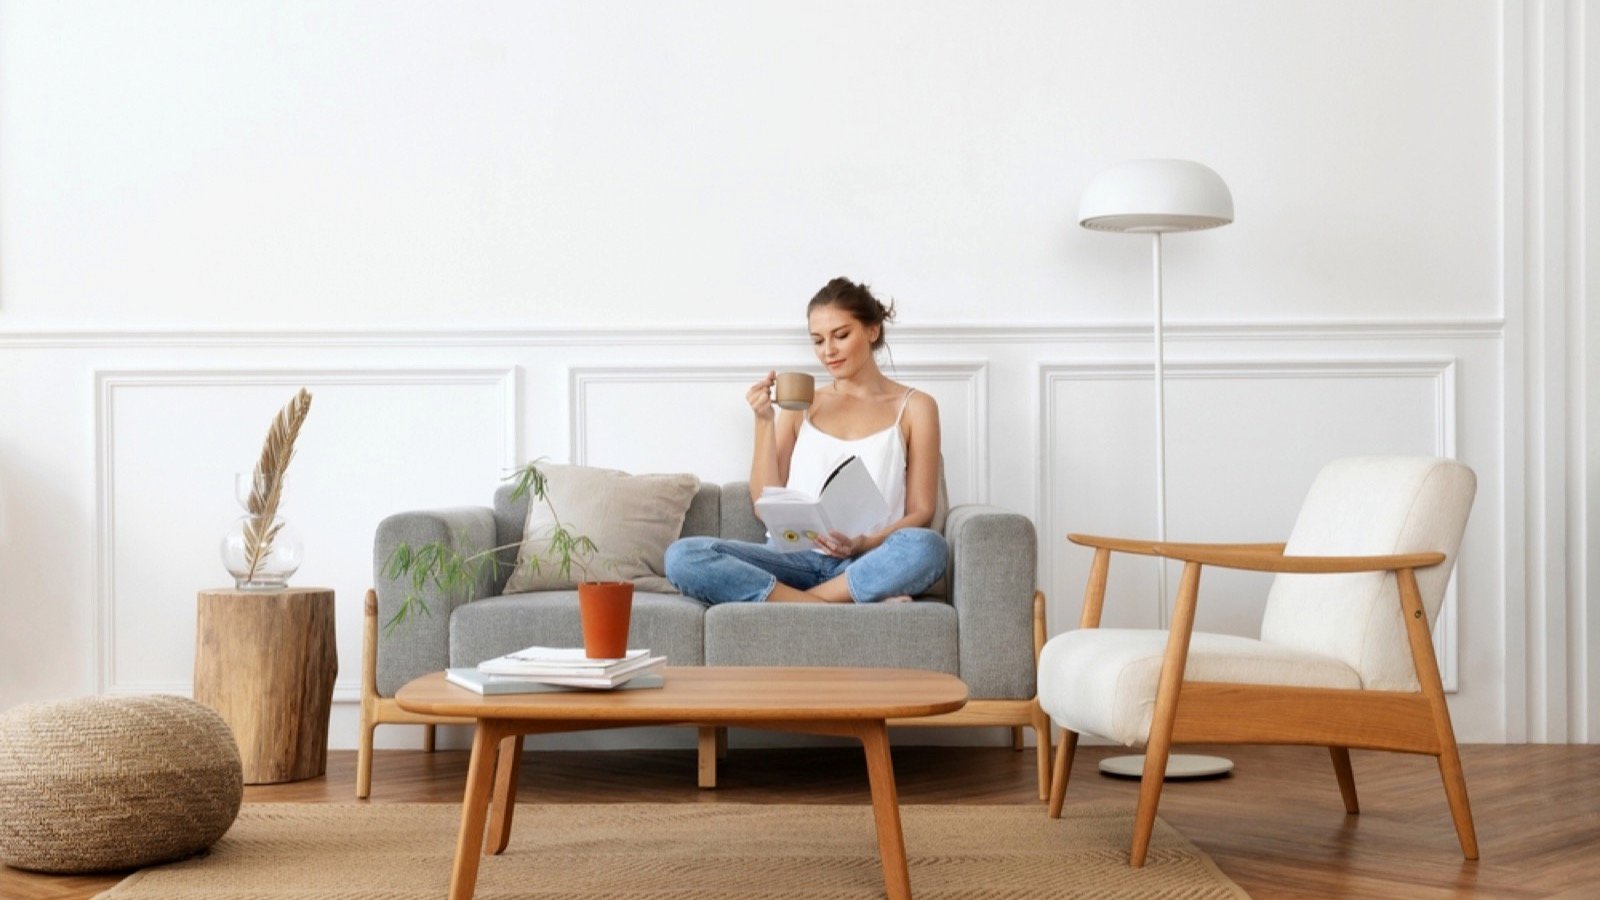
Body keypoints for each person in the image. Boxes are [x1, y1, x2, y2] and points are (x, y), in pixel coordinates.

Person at [664, 277, 947, 603]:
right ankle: (835, 605)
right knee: (684, 555)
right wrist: (764, 421)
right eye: (818, 340)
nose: (828, 351)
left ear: (872, 331)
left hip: (865, 560)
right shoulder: (803, 404)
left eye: (841, 335)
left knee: (928, 547)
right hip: (791, 559)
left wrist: (861, 543)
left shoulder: (916, 407)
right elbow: (763, 504)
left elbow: (921, 511)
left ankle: (793, 603)